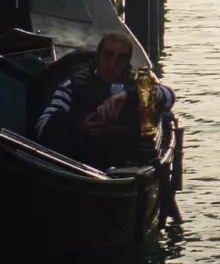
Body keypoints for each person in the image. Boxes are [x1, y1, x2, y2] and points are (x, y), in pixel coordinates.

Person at [35, 31, 174, 169]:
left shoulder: (137, 86)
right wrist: (81, 126)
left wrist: (131, 96)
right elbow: (42, 127)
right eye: (108, 55)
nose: (112, 64)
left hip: (128, 161)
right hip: (80, 161)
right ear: (98, 56)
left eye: (121, 58)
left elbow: (169, 97)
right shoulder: (74, 85)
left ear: (127, 61)